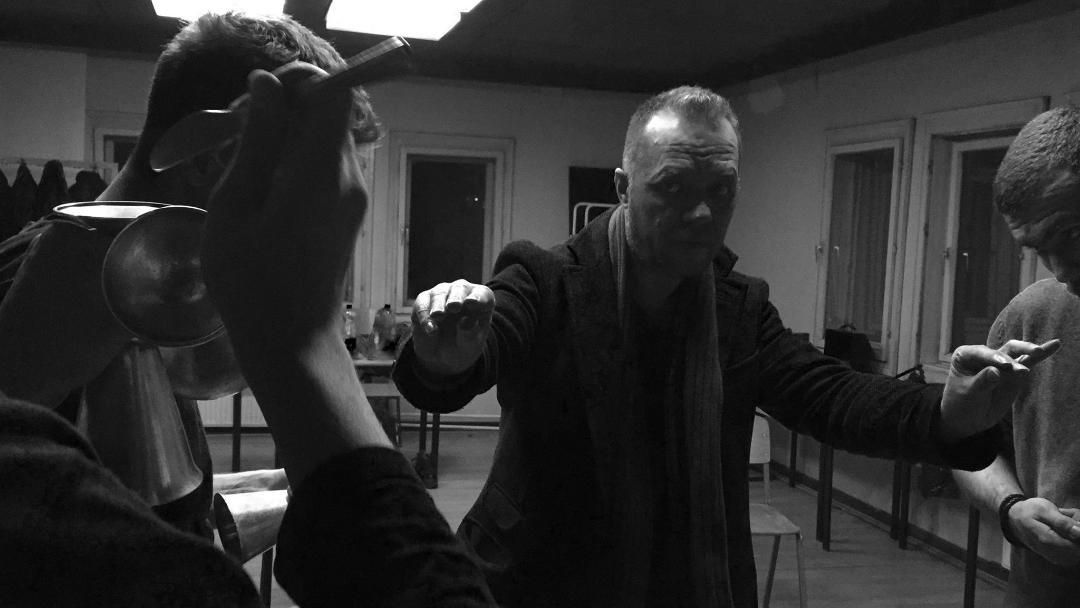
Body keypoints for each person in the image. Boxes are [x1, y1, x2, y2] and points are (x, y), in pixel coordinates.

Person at [392, 85, 1058, 607]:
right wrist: (447, 357)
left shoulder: (738, 308)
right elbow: (492, 336)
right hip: (542, 582)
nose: (703, 214)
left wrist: (947, 412)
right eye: (673, 189)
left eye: (721, 191)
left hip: (691, 582)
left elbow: (830, 395)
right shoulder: (546, 278)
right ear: (622, 189)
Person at [0, 19, 495, 607]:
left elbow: (125, 501)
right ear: (220, 159)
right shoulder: (72, 298)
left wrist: (281, 488)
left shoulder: (138, 292)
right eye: (310, 192)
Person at [0, 11, 376, 537]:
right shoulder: (54, 294)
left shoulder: (151, 290)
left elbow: (142, 506)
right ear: (214, 159)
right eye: (309, 190)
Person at [952, 105, 1080, 608]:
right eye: (1037, 248)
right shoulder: (1031, 317)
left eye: (1071, 235)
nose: (1060, 269)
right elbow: (968, 449)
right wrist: (1012, 509)